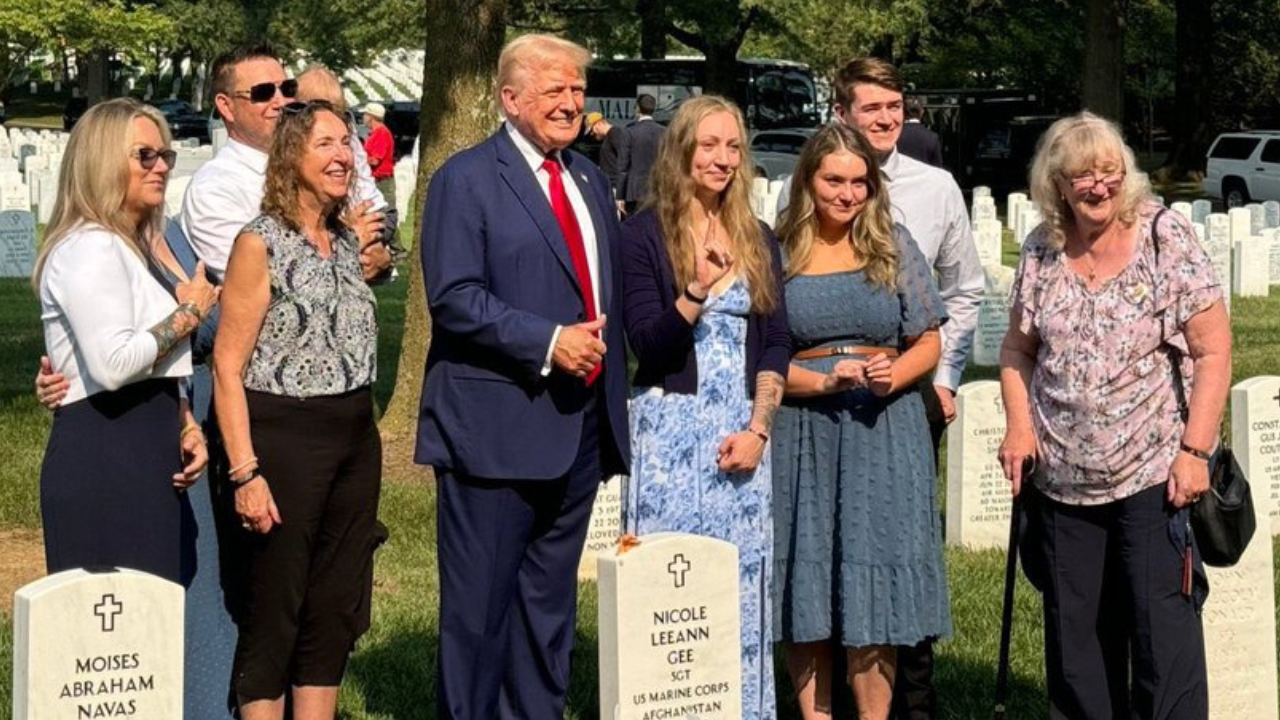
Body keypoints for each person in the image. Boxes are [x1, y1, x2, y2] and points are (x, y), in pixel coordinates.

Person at [415, 34, 630, 720]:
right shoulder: (466, 178)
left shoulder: (589, 178)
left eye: (576, 90)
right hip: (495, 433)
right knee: (479, 616)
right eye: (554, 91)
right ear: (511, 100)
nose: (571, 104)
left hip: (579, 429)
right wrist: (547, 341)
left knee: (547, 610)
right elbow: (453, 296)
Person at [998, 111, 1229, 720]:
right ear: (1058, 184)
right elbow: (1018, 350)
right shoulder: (1042, 250)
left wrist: (1195, 451)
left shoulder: (1163, 236)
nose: (1098, 186)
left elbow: (1212, 350)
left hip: (1154, 474)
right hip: (1061, 481)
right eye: (1083, 175)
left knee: (1162, 639)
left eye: (1110, 172)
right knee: (1075, 646)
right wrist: (1019, 427)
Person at [776, 58, 983, 719]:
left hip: (885, 424)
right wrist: (816, 380)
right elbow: (762, 352)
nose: (846, 194)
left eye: (858, 182)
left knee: (875, 578)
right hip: (804, 428)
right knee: (807, 573)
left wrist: (904, 370)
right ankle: (813, 714)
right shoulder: (778, 250)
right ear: (809, 181)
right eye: (833, 180)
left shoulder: (892, 245)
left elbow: (928, 331)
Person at [622, 94, 790, 720]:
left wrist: (758, 429)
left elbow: (775, 339)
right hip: (668, 433)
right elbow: (647, 343)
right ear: (683, 150)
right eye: (710, 145)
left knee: (738, 588)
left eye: (734, 146)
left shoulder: (758, 237)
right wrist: (693, 287)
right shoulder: (641, 236)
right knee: (668, 590)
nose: (723, 159)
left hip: (741, 436)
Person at [213, 100, 382, 720]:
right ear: (292, 158)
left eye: (347, 144)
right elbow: (227, 366)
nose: (343, 156)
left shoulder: (342, 242)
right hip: (284, 440)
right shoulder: (260, 243)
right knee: (276, 604)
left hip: (354, 438)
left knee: (335, 603)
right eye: (327, 145)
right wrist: (245, 473)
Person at [33, 98, 218, 584]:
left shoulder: (125, 245)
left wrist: (183, 424)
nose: (161, 167)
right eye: (145, 156)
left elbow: (135, 359)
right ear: (102, 161)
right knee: (107, 641)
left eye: (166, 156)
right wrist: (191, 311)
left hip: (141, 451)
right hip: (108, 460)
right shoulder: (91, 246)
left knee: (145, 636)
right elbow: (114, 363)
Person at [181, 44, 390, 281]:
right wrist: (350, 243)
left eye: (288, 89)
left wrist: (381, 260)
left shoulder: (311, 168)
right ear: (226, 106)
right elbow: (265, 284)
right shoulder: (215, 190)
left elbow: (370, 249)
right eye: (263, 93)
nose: (281, 102)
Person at [618, 92, 664, 214]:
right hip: (657, 189)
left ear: (638, 108)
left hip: (634, 191)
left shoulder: (630, 131)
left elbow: (623, 166)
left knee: (634, 228)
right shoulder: (664, 132)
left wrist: (619, 196)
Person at [584, 110, 626, 205]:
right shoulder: (610, 136)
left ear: (598, 124)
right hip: (611, 186)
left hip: (616, 187)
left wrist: (621, 192)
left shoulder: (615, 134)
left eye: (592, 130)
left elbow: (625, 160)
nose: (592, 135)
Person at [362, 101, 397, 210]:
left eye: (365, 114)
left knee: (385, 216)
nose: (363, 117)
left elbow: (375, 160)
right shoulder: (375, 133)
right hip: (377, 181)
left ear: (371, 117)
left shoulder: (381, 133)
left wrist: (358, 161)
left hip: (382, 183)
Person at [897, 98, 943, 168]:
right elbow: (937, 167)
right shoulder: (932, 137)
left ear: (903, 112)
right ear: (922, 112)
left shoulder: (895, 134)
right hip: (924, 178)